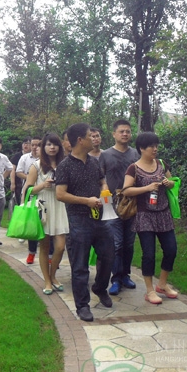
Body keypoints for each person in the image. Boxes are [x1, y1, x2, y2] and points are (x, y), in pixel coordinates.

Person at [56, 123, 115, 322]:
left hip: (99, 217)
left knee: (108, 255)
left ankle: (100, 287)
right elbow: (60, 194)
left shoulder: (94, 162)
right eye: (90, 136)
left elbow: (102, 181)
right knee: (80, 266)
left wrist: (104, 190)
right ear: (80, 140)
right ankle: (82, 306)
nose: (94, 138)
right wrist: (86, 201)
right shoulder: (65, 166)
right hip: (78, 219)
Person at [121, 131, 178, 305]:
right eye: (151, 146)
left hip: (164, 214)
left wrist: (169, 183)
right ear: (141, 148)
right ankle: (149, 290)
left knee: (171, 249)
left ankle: (162, 284)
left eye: (156, 146)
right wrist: (147, 188)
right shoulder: (133, 168)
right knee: (149, 254)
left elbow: (173, 182)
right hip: (144, 215)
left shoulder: (161, 163)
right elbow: (126, 190)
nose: (155, 149)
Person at [22, 133, 68, 295]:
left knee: (60, 247)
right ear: (43, 147)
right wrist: (42, 185)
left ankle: (53, 275)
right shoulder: (36, 166)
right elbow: (28, 189)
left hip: (60, 206)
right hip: (43, 207)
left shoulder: (64, 165)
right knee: (44, 246)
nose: (52, 147)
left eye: (55, 144)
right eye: (48, 144)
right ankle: (47, 281)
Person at [99, 119, 140, 296]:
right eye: (121, 131)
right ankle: (115, 279)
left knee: (129, 244)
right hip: (112, 205)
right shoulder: (105, 155)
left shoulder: (136, 154)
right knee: (116, 244)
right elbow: (100, 179)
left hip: (131, 205)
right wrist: (104, 199)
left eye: (128, 131)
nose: (125, 134)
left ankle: (125, 275)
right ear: (114, 134)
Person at [16, 136, 42, 263]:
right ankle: (31, 252)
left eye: (37, 145)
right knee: (32, 222)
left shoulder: (49, 161)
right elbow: (18, 172)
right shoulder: (25, 158)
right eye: (33, 145)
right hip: (30, 193)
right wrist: (31, 176)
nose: (35, 147)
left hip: (46, 196)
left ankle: (49, 256)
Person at [10, 137, 31, 206]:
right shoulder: (17, 156)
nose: (26, 145)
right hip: (19, 183)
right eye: (25, 143)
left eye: (29, 144)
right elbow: (12, 169)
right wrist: (12, 183)